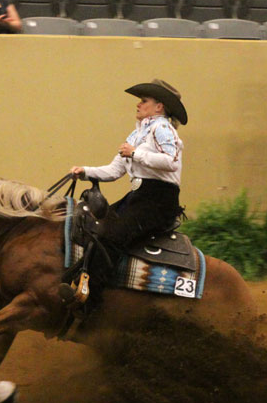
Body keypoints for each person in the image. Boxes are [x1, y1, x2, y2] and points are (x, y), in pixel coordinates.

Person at [69, 79, 187, 289]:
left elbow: (171, 161)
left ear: (159, 106)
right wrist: (85, 171)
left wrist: (135, 153)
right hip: (139, 199)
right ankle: (81, 279)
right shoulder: (138, 134)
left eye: (143, 101)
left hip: (158, 201)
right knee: (96, 228)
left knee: (111, 236)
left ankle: (93, 293)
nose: (138, 105)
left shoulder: (162, 128)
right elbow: (114, 171)